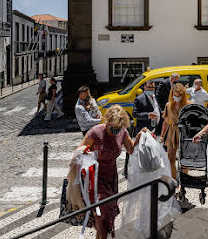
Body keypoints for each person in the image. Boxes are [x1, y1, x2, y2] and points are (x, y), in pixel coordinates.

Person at [75, 105, 146, 239]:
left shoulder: (122, 132)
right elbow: (80, 149)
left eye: (118, 129)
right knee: (102, 212)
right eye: (113, 128)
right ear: (107, 122)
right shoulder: (95, 132)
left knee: (108, 214)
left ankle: (100, 237)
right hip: (96, 177)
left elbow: (132, 150)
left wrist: (140, 136)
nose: (115, 132)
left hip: (112, 177)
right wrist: (85, 152)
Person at [160, 83, 190, 180]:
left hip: (184, 132)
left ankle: (184, 180)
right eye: (174, 95)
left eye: (179, 96)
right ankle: (173, 180)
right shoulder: (168, 105)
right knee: (170, 158)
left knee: (184, 159)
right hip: (172, 132)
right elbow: (165, 122)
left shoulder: (188, 105)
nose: (176, 98)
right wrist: (162, 135)